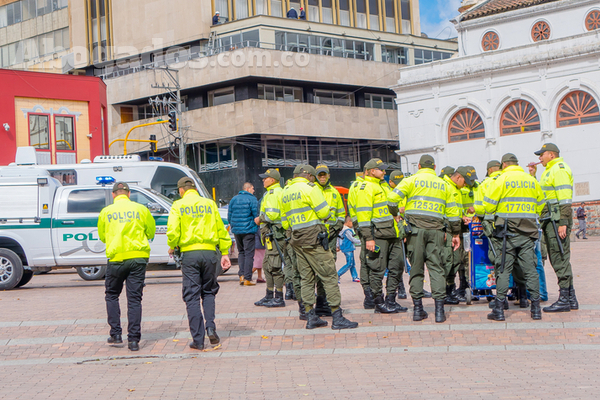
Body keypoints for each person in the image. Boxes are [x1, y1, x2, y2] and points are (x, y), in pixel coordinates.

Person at [281, 164, 358, 330]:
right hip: (314, 239)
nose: (315, 178)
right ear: (308, 175)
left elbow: (284, 221)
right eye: (313, 175)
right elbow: (324, 213)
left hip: (297, 239)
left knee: (306, 278)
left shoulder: (286, 191)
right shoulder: (310, 188)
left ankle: (310, 316)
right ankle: (337, 317)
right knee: (329, 275)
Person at [388, 155, 461, 323]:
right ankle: (439, 312)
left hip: (415, 231)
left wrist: (396, 215)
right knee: (436, 268)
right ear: (434, 167)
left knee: (417, 268)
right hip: (436, 231)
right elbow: (453, 213)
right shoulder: (443, 184)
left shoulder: (411, 180)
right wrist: (455, 234)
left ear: (419, 166)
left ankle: (418, 310)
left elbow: (392, 199)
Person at [167, 177, 232, 350]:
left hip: (190, 254)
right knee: (209, 292)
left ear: (181, 190)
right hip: (210, 252)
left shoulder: (178, 206)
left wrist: (173, 246)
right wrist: (225, 252)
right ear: (195, 189)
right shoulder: (209, 204)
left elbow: (173, 231)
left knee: (192, 296)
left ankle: (198, 339)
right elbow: (221, 228)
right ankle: (210, 327)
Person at [484, 153, 544, 321]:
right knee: (530, 270)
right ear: (517, 164)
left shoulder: (501, 180)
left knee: (503, 269)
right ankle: (536, 309)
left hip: (506, 235)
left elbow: (488, 206)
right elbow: (541, 205)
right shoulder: (531, 180)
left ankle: (499, 310)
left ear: (504, 165)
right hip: (527, 233)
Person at [98, 182, 156, 352]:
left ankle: (116, 334)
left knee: (112, 295)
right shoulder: (140, 209)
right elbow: (151, 232)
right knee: (134, 299)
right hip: (138, 258)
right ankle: (134, 340)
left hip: (116, 259)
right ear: (129, 194)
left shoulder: (106, 212)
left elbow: (102, 236)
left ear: (114, 194)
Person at [529, 143, 579, 313]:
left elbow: (565, 198)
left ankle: (564, 299)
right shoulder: (549, 171)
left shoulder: (559, 169)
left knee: (559, 258)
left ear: (551, 154)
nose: (539, 158)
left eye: (541, 155)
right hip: (551, 220)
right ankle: (571, 298)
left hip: (557, 220)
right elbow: (542, 195)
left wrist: (563, 222)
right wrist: (534, 176)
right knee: (559, 257)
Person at [356, 158, 407, 314]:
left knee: (397, 267)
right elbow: (363, 216)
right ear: (372, 171)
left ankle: (391, 300)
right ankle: (379, 302)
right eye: (381, 170)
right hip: (378, 235)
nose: (384, 172)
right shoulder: (366, 188)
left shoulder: (382, 186)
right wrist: (369, 238)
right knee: (377, 270)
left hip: (393, 234)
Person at [253, 169, 286, 308]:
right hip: (271, 235)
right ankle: (269, 295)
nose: (263, 180)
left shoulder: (274, 193)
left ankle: (278, 297)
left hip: (275, 234)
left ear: (272, 180)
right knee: (267, 265)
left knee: (274, 266)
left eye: (265, 178)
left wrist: (259, 219)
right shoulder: (272, 192)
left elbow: (272, 215)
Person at [439, 167, 468, 305]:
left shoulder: (456, 189)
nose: (466, 185)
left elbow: (453, 210)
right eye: (465, 181)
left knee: (455, 261)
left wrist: (462, 217)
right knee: (447, 261)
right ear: (458, 178)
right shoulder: (445, 187)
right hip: (447, 230)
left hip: (454, 230)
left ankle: (451, 290)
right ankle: (443, 292)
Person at [228, 182, 259, 286]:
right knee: (249, 254)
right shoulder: (252, 199)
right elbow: (256, 215)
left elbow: (229, 215)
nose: (254, 190)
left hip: (237, 230)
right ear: (248, 188)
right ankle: (247, 278)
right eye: (253, 188)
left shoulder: (234, 199)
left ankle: (241, 275)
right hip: (249, 230)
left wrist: (234, 226)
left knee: (241, 252)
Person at [387, 170, 408, 300]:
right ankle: (400, 289)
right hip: (394, 231)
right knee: (398, 262)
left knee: (412, 261)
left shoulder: (405, 191)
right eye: (397, 183)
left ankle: (418, 288)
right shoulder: (388, 193)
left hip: (406, 228)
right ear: (391, 182)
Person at [337, 216, 360, 282]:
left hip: (347, 248)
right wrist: (361, 241)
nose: (352, 225)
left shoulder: (342, 230)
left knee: (352, 263)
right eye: (352, 223)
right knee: (349, 263)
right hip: (348, 248)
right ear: (348, 222)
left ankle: (355, 277)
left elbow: (338, 239)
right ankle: (338, 274)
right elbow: (352, 239)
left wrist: (338, 246)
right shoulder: (347, 231)